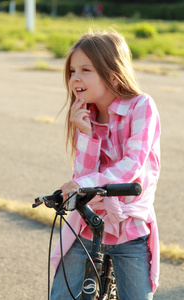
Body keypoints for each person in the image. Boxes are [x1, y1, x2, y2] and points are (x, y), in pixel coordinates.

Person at [51, 29, 161, 300]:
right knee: (61, 295)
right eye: (73, 70)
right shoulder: (84, 114)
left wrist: (83, 184)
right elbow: (83, 176)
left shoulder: (141, 107)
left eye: (85, 69)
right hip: (89, 225)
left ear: (112, 74)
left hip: (130, 229)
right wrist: (86, 134)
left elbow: (132, 165)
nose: (75, 78)